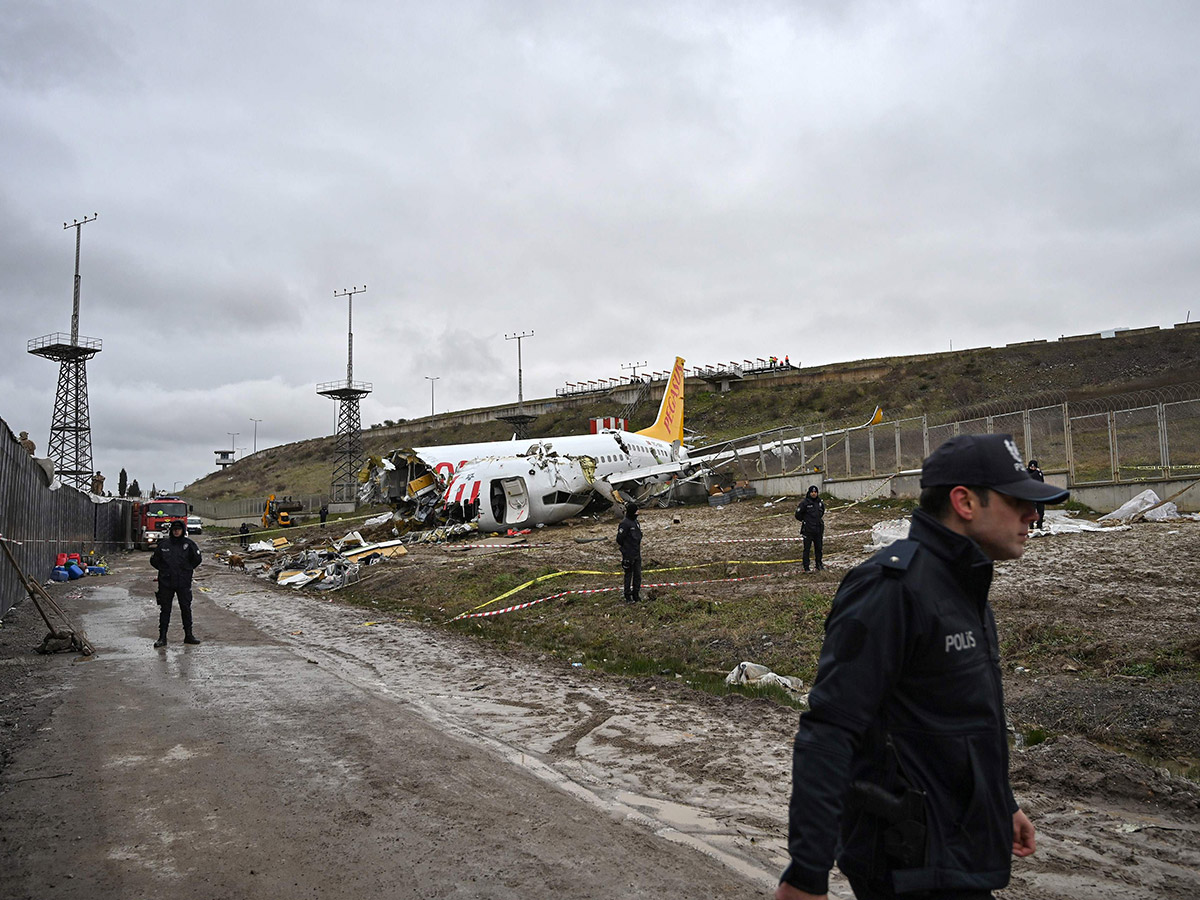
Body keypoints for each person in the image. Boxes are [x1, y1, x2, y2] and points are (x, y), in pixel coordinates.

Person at [776, 434, 1068, 900]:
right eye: (1017, 501)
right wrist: (807, 873)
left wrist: (1001, 803)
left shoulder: (964, 585)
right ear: (964, 501)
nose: (1032, 514)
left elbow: (962, 720)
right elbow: (829, 732)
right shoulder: (891, 589)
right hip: (910, 861)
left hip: (958, 845)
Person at [149, 519, 203, 648]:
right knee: (165, 610)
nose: (176, 532)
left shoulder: (189, 544)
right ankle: (162, 637)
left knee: (186, 608)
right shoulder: (164, 545)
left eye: (178, 530)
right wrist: (164, 570)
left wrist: (187, 569)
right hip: (166, 582)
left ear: (182, 531)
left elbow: (197, 559)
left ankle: (188, 635)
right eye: (174, 530)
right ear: (171, 531)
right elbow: (154, 561)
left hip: (183, 582)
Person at [615, 501, 643, 603]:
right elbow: (619, 539)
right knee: (628, 575)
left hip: (637, 553)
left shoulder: (636, 522)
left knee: (638, 575)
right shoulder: (625, 523)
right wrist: (626, 549)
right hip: (628, 553)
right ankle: (627, 595)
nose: (638, 513)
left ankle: (636, 594)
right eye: (636, 511)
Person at [795, 485, 826, 572]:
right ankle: (806, 567)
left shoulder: (819, 502)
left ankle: (819, 564)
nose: (814, 493)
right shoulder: (804, 503)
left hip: (818, 529)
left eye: (815, 492)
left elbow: (822, 512)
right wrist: (806, 521)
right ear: (809, 493)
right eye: (812, 492)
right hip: (808, 530)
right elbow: (798, 515)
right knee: (807, 549)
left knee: (819, 548)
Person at [1026, 459, 1046, 531]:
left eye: (1034, 467)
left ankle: (1039, 525)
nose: (1033, 469)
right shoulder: (1027, 472)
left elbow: (1041, 481)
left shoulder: (1039, 473)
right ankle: (1031, 526)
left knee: (1041, 510)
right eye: (1031, 467)